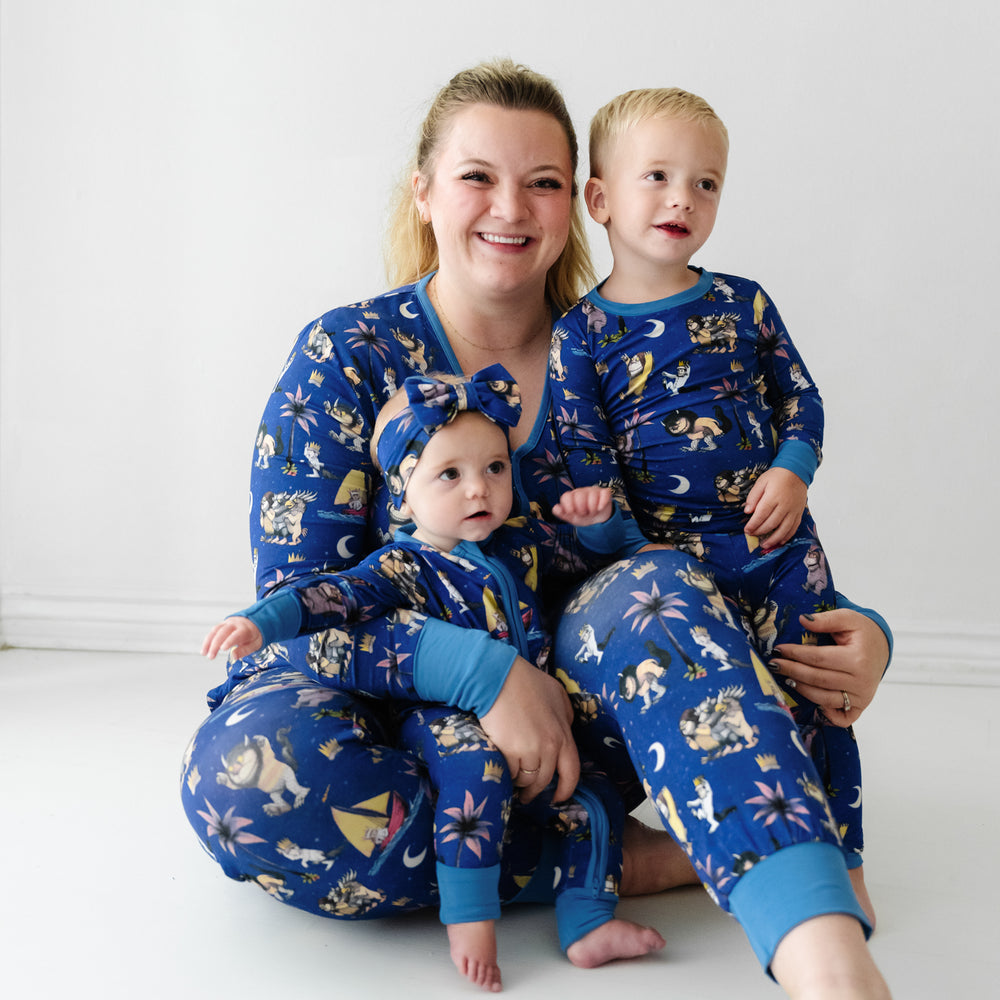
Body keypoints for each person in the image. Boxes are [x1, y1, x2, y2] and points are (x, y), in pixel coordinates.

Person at [180, 59, 892, 998]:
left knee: (657, 588)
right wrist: (484, 677)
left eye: (543, 182)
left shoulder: (623, 343)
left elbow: (725, 531)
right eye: (478, 175)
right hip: (392, 725)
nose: (509, 207)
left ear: (582, 203)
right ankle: (624, 856)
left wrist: (866, 634)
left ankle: (827, 964)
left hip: (587, 722)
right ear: (425, 192)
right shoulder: (342, 356)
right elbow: (299, 612)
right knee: (245, 777)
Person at [201, 366, 665, 990]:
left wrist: (596, 523)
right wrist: (262, 621)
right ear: (403, 488)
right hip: (437, 713)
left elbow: (587, 558)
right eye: (450, 474)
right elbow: (331, 598)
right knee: (478, 773)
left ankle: (587, 924)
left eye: (495, 468)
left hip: (535, 710)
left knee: (589, 801)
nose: (480, 489)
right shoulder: (399, 563)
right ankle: (470, 919)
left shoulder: (518, 544)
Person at [548, 87, 870, 920]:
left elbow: (802, 398)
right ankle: (732, 839)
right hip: (671, 566)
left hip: (776, 542)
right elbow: (588, 458)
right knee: (726, 699)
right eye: (656, 176)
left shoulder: (743, 301)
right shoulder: (580, 336)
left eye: (707, 183)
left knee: (816, 699)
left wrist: (794, 471)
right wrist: (609, 528)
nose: (682, 199)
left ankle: (848, 861)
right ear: (601, 199)